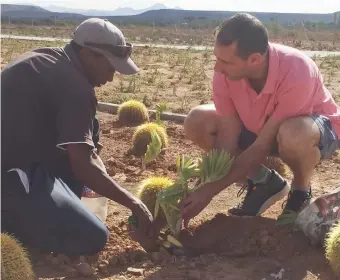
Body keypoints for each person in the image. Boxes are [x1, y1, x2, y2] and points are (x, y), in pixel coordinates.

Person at [1, 18, 157, 257]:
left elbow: (86, 154)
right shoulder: (75, 87)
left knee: (91, 127)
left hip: (21, 161)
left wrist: (95, 190)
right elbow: (83, 165)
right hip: (12, 175)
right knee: (92, 237)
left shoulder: (49, 59)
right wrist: (134, 204)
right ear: (88, 54)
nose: (112, 78)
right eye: (110, 67)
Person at [181, 13, 340, 227]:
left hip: (314, 131)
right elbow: (227, 138)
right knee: (197, 121)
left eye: (226, 61)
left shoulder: (297, 70)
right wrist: (203, 186)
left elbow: (262, 145)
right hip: (262, 128)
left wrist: (211, 191)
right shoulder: (225, 74)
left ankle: (300, 190)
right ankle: (263, 181)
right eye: (216, 58)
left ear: (254, 59)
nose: (217, 68)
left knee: (293, 133)